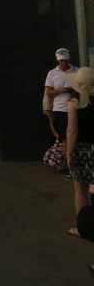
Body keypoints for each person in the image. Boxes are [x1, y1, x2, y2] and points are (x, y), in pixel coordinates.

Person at [65, 67, 94, 237]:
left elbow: (72, 130)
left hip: (82, 150)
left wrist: (69, 154)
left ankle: (83, 228)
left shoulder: (74, 102)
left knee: (80, 189)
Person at [46, 48, 78, 155]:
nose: (63, 63)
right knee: (64, 136)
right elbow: (49, 93)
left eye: (65, 60)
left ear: (70, 58)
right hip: (60, 108)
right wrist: (59, 90)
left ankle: (71, 156)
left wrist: (72, 90)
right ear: (57, 59)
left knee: (75, 133)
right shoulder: (52, 73)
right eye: (61, 61)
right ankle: (67, 157)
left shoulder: (77, 71)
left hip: (76, 107)